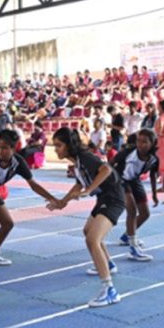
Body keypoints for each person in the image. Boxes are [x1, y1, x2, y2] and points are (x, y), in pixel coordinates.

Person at [0, 129, 58, 287]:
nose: (0, 151)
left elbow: (33, 185)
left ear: (14, 148)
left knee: (8, 223)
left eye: (5, 148)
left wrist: (53, 199)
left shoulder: (18, 163)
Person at [49, 128, 125, 307]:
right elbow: (79, 183)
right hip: (104, 198)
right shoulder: (76, 164)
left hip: (113, 199)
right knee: (88, 231)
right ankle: (108, 263)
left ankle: (109, 290)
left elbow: (105, 169)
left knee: (92, 240)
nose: (56, 149)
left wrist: (89, 190)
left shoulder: (84, 157)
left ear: (69, 145)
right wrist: (62, 202)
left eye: (59, 145)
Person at [111, 129, 159, 261]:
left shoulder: (154, 159)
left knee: (145, 213)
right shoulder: (128, 152)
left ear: (152, 143)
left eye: (144, 142)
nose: (140, 144)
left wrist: (154, 194)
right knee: (131, 211)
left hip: (134, 180)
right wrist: (108, 181)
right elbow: (110, 164)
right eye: (138, 141)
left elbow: (153, 176)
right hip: (121, 180)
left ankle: (127, 236)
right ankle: (133, 248)